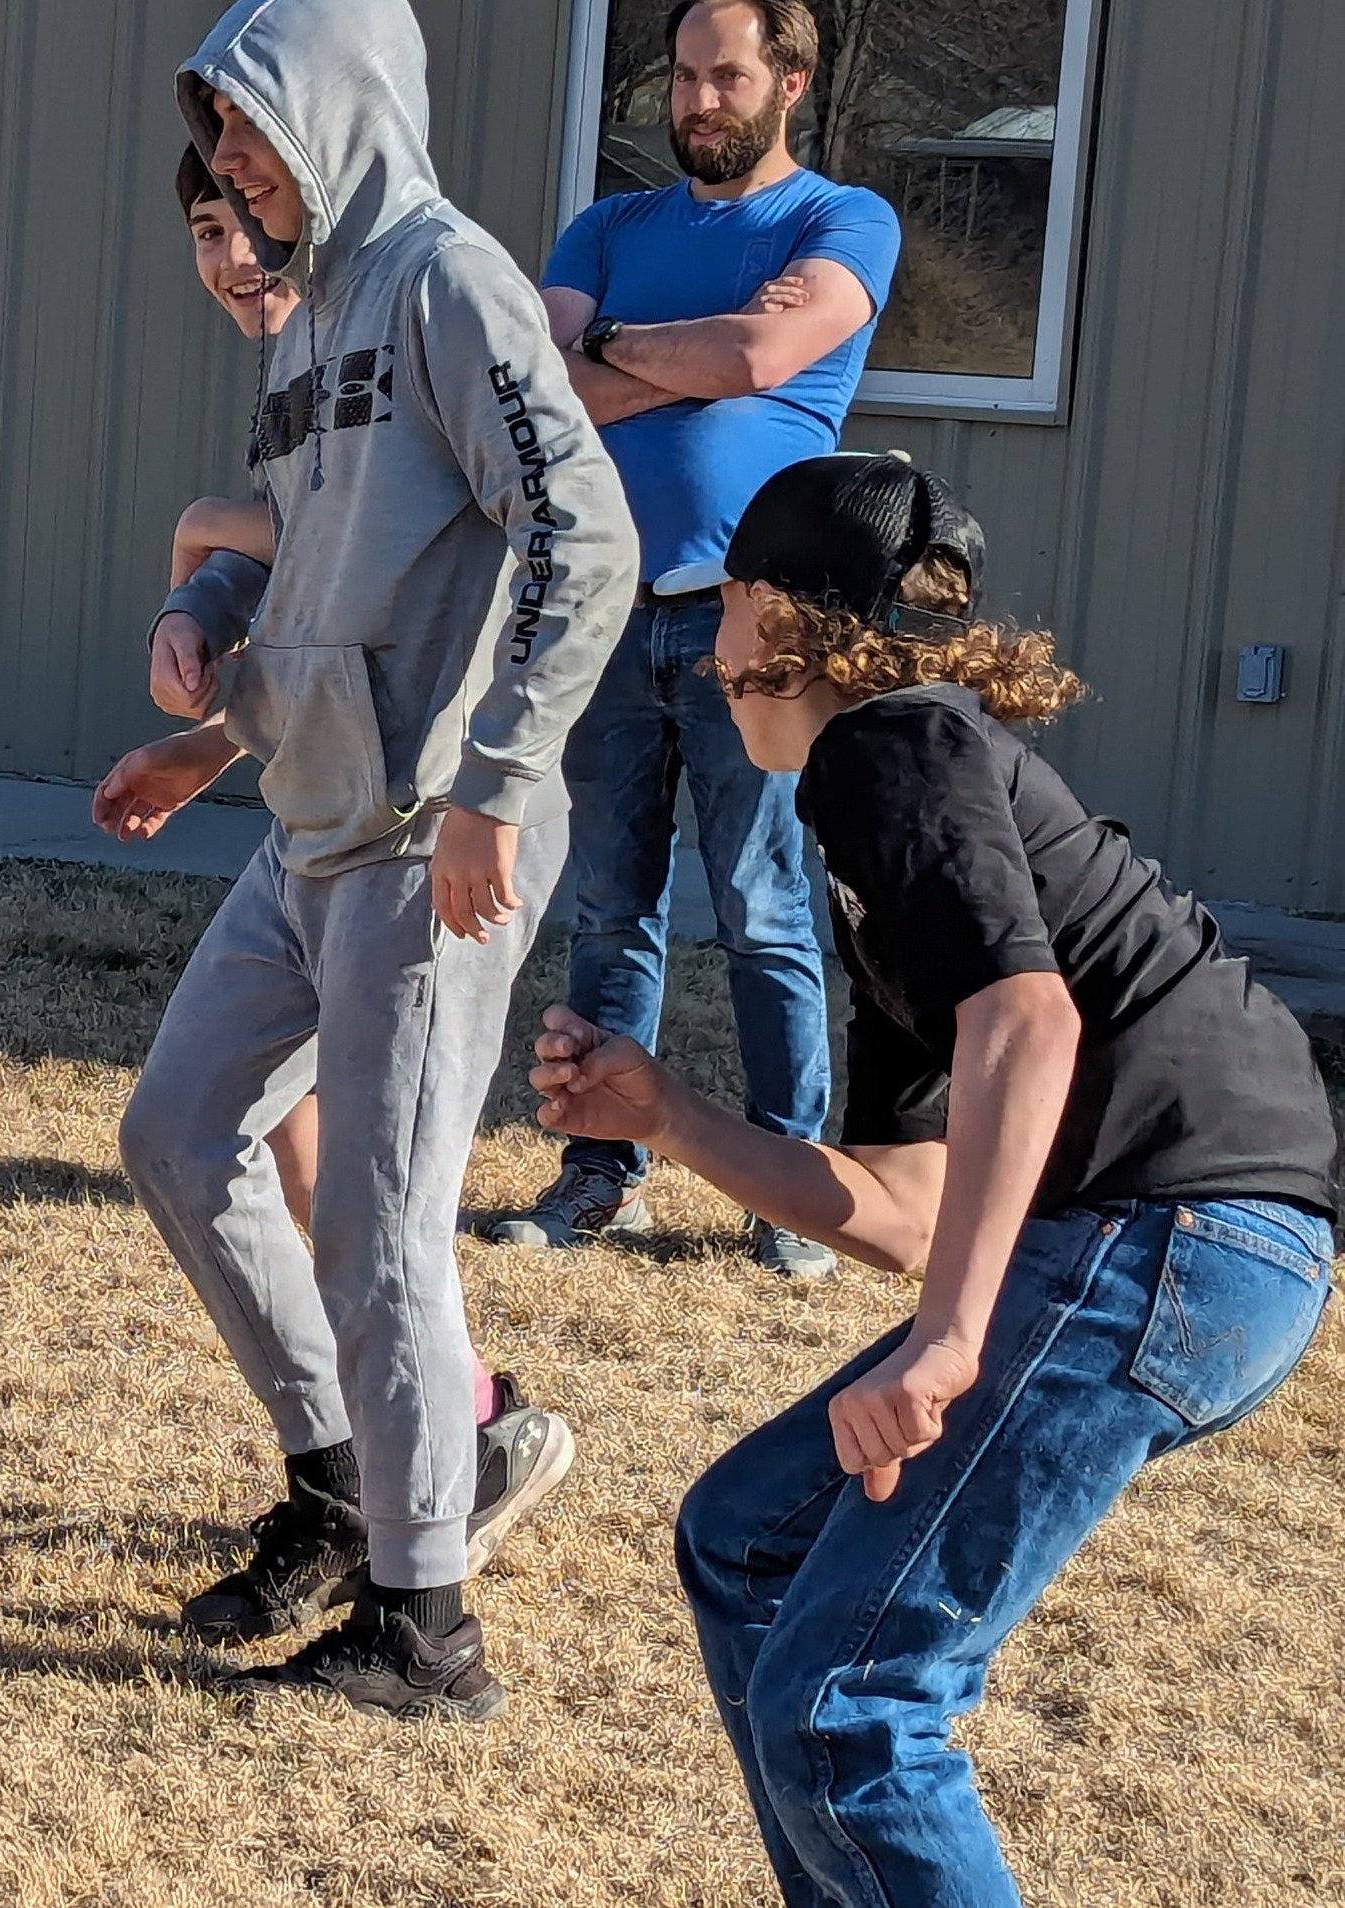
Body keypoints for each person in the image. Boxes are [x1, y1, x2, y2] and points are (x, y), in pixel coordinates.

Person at [531, 452, 1336, 1903]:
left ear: (776, 615)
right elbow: (905, 1210)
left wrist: (952, 1344)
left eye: (720, 605)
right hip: (1193, 1254)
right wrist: (668, 1117)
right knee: (743, 1543)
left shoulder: (886, 743)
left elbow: (1027, 1023)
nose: (707, 647)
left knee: (847, 1708)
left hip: (1172, 1235)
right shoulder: (896, 809)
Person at [112, 0, 636, 1721]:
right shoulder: (307, 312)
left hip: (431, 838)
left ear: (335, 110)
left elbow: (581, 532)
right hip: (311, 820)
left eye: (250, 127)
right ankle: (345, 1482)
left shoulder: (441, 279)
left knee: (377, 1220)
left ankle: (424, 1626)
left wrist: (499, 776)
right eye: (216, 134)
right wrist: (207, 627)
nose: (229, 163)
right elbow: (297, 546)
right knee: (178, 1129)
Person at [494, 0, 899, 1278]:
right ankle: (596, 1171)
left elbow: (769, 353)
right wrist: (688, 354)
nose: (698, 100)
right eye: (680, 76)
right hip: (602, 613)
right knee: (609, 906)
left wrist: (621, 346)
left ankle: (793, 1191)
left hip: (754, 623)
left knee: (765, 909)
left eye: (726, 75)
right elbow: (540, 383)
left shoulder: (842, 221)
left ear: (789, 83)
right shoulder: (608, 228)